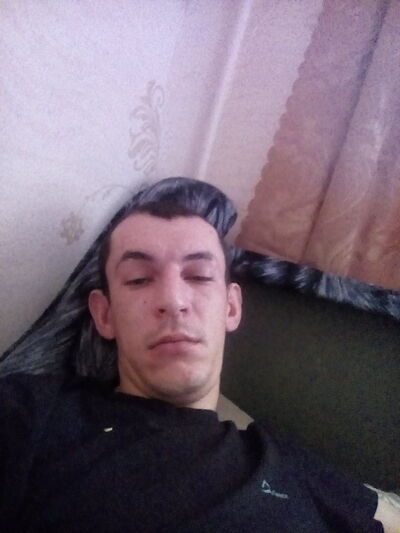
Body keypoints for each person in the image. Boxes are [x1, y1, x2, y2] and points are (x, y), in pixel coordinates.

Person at [0, 178, 398, 532]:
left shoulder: (283, 459)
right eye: (139, 279)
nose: (173, 300)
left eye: (199, 276)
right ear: (104, 315)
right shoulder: (33, 414)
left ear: (231, 308)